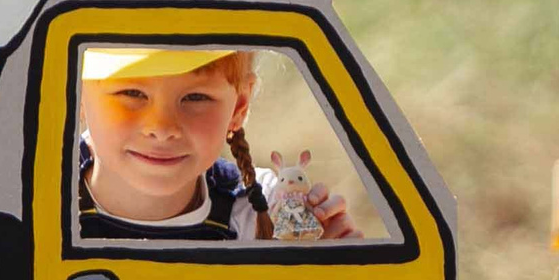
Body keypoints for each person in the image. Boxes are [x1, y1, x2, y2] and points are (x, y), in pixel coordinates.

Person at [76, 47, 356, 241]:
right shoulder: (36, 202)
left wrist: (328, 263)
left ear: (239, 107)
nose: (162, 129)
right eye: (132, 92)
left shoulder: (264, 211)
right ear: (76, 91)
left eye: (196, 97)